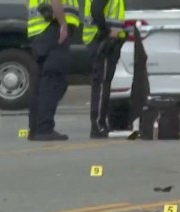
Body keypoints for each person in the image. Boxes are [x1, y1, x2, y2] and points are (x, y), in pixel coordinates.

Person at [27, 0, 82, 142]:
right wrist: (62, 22)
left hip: (38, 31)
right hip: (53, 28)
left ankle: (35, 128)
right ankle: (44, 128)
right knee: (53, 80)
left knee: (40, 82)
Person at [83, 0, 126, 138]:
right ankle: (98, 124)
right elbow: (96, 10)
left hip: (102, 40)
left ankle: (101, 123)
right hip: (102, 41)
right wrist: (106, 31)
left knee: (103, 83)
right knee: (101, 84)